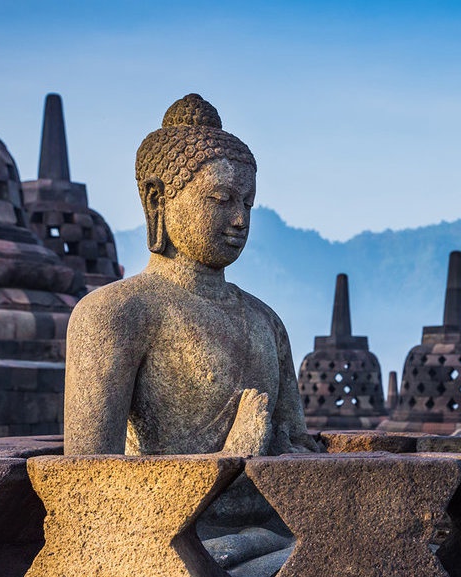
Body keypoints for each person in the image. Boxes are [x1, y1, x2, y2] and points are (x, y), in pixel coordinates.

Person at [63, 94, 319, 457]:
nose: (240, 220)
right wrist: (233, 458)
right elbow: (84, 486)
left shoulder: (267, 323)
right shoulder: (115, 314)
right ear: (157, 199)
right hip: (161, 515)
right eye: (221, 199)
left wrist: (285, 453)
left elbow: (299, 447)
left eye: (248, 203)